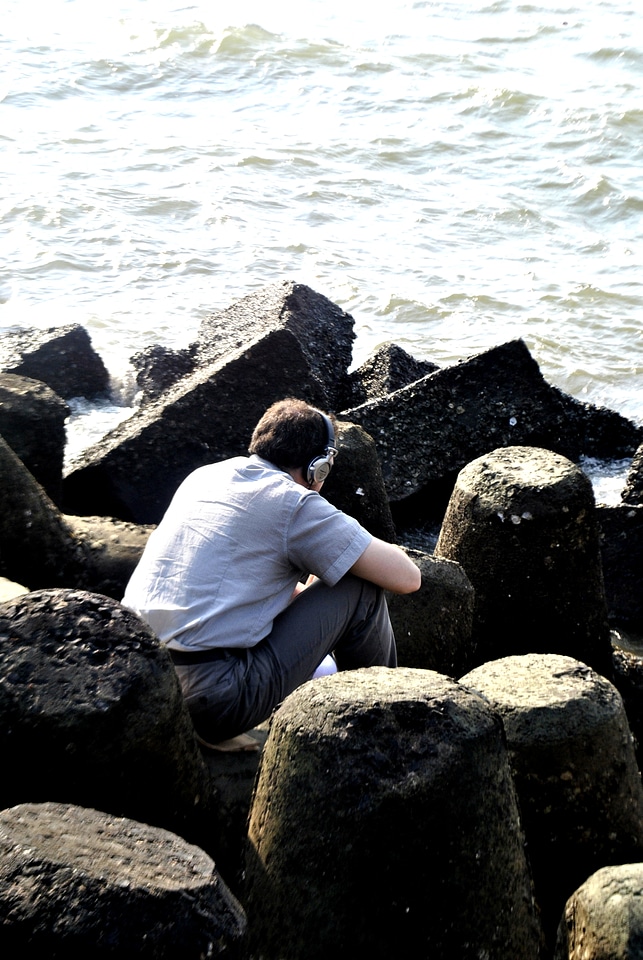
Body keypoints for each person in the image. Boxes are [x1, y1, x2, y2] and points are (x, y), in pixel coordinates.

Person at [122, 398, 421, 750]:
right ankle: (380, 729)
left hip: (146, 675)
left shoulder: (203, 477)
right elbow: (407, 578)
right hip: (215, 699)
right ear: (318, 467)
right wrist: (342, 550)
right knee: (360, 585)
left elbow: (241, 590)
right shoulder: (294, 502)